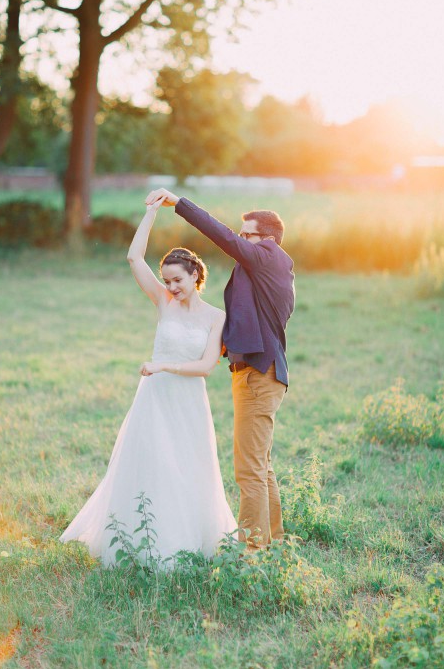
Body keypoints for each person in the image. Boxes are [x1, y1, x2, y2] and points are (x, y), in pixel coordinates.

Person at [59, 195, 237, 566]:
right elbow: (133, 258)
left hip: (187, 399)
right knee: (152, 463)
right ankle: (142, 540)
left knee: (187, 466)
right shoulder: (162, 301)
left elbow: (206, 367)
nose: (171, 286)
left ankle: (188, 542)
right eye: (167, 280)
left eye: (178, 280)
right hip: (154, 399)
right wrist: (151, 211)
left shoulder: (215, 317)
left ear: (196, 276)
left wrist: (163, 367)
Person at [145, 189, 295, 550]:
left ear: (267, 240)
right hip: (257, 373)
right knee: (262, 465)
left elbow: (222, 235)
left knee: (249, 470)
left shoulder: (268, 259)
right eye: (242, 234)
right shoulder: (266, 269)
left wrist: (178, 204)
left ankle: (252, 554)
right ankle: (272, 543)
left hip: (259, 375)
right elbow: (254, 316)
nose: (240, 240)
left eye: (247, 235)